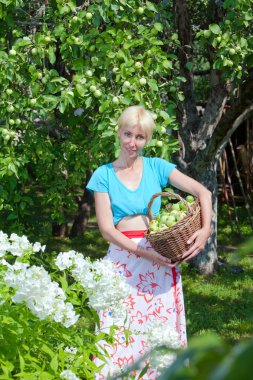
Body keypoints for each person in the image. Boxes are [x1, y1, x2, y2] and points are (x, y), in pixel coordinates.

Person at [86, 105, 212, 379]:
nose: (132, 142)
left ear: (148, 139)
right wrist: (144, 255)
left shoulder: (157, 167)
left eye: (140, 137)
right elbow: (107, 230)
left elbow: (202, 192)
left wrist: (204, 232)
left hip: (160, 258)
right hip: (124, 262)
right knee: (118, 329)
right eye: (128, 134)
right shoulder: (103, 175)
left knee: (158, 330)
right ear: (118, 133)